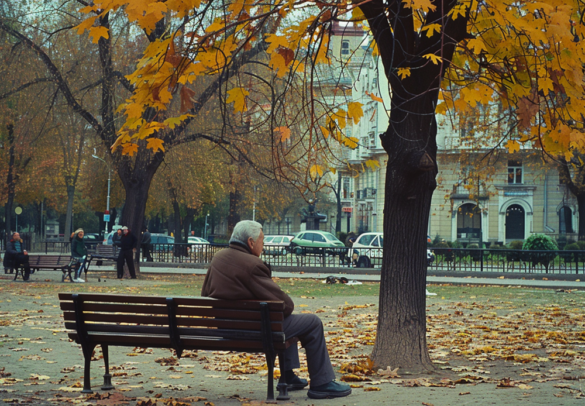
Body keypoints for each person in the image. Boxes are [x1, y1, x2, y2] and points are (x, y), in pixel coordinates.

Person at [201, 220, 351, 399]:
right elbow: (285, 305)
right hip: (254, 332)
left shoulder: (217, 258)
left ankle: (288, 376)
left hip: (226, 330)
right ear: (250, 242)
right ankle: (322, 383)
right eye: (262, 240)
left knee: (284, 322)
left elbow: (205, 294)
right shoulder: (252, 264)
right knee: (312, 322)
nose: (263, 245)